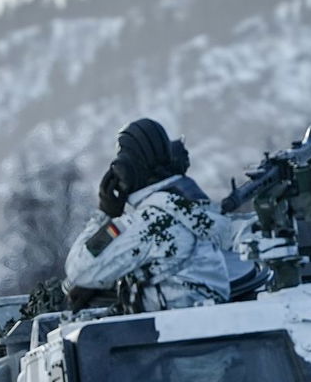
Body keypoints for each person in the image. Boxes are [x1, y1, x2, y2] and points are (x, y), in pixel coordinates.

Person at [65, 117, 232, 312]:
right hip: (199, 322)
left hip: (168, 333)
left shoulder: (150, 223)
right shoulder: (193, 212)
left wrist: (104, 214)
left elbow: (79, 269)